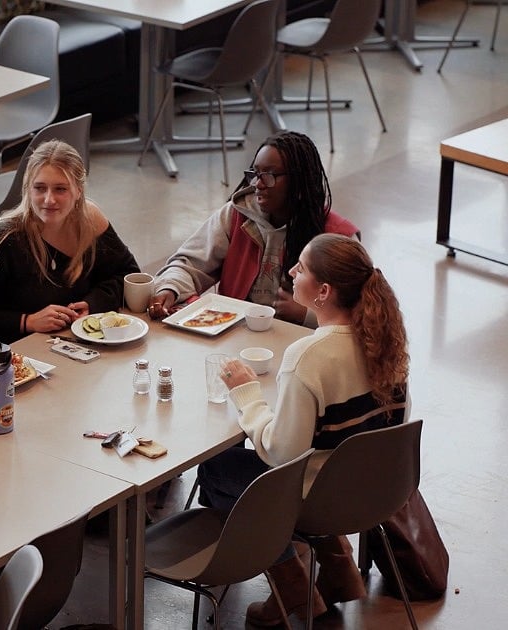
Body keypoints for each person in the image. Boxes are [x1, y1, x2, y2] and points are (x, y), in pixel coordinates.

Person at [196, 233, 410, 626]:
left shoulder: (309, 356)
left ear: (324, 291)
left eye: (302, 267)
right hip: (375, 491)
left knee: (215, 470)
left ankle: (290, 584)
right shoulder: (384, 340)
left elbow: (282, 455)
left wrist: (247, 393)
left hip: (322, 499)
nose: (292, 271)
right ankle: (339, 569)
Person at [147, 131, 358, 327]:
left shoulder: (337, 237)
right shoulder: (237, 215)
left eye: (269, 175)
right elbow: (188, 264)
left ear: (300, 181)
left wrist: (307, 315)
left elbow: (360, 311)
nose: (257, 183)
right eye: (255, 173)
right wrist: (170, 288)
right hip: (234, 333)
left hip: (301, 342)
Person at [0, 140, 139, 353]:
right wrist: (27, 321)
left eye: (60, 189)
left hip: (78, 347)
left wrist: (93, 304)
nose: (49, 200)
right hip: (16, 357)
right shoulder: (1, 240)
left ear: (78, 191)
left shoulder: (91, 220)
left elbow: (128, 275)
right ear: (28, 189)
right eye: (40, 188)